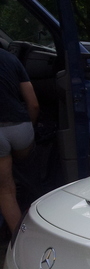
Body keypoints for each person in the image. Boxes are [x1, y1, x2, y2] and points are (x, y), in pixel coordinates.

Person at [0, 47, 39, 235]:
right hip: (20, 128)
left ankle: (20, 238)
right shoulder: (12, 60)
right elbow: (33, 104)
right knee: (26, 168)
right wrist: (29, 125)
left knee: (5, 190)